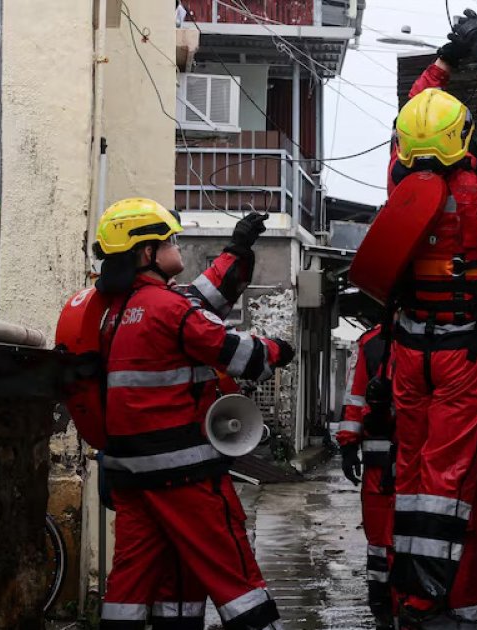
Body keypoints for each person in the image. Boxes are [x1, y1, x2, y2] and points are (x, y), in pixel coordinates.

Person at [385, 3, 477, 627]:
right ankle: (426, 601)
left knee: (417, 471)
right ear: (461, 139)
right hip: (464, 352)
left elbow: (411, 112)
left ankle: (438, 598)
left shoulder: (398, 181)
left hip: (409, 349)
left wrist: (443, 60)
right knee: (448, 478)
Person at [91, 198, 294, 630]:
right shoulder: (171, 309)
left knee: (135, 580)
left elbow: (201, 296)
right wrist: (278, 349)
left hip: (130, 474)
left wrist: (238, 248)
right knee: (233, 572)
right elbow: (239, 355)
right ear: (147, 254)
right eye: (169, 240)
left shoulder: (115, 312)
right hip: (186, 475)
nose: (176, 245)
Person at [337, 323, 397, 629]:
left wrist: (350, 444)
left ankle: (389, 603)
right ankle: (385, 604)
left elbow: (355, 396)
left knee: (389, 536)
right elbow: (356, 396)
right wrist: (348, 445)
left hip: (390, 460)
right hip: (388, 461)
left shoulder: (373, 342)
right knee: (381, 537)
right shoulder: (373, 342)